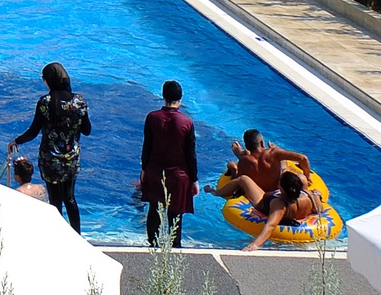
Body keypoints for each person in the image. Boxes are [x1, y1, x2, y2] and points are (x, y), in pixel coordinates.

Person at [7, 62, 92, 234]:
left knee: (55, 200)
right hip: (71, 159)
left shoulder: (45, 103)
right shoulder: (79, 101)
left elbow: (33, 132)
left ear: (50, 80)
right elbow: (87, 130)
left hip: (50, 160)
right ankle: (77, 236)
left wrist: (16, 141)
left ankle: (57, 236)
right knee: (70, 198)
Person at [205, 167, 327, 252]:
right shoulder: (309, 196)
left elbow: (271, 225)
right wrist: (317, 194)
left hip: (260, 203)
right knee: (302, 179)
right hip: (297, 204)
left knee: (243, 179)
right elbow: (320, 210)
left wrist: (255, 244)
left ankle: (215, 192)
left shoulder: (279, 204)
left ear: (281, 187)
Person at [139, 80, 198, 247]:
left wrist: (144, 169)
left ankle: (153, 246)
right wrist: (194, 179)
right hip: (179, 175)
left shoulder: (152, 118)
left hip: (155, 171)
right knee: (175, 215)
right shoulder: (186, 122)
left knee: (154, 210)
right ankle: (174, 247)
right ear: (180, 98)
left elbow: (147, 146)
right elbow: (191, 154)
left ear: (163, 96)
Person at [225, 129, 312, 188]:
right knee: (282, 161)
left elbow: (239, 182)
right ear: (262, 143)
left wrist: (233, 170)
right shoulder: (274, 153)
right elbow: (303, 158)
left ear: (247, 146)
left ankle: (241, 154)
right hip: (276, 188)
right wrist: (307, 176)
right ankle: (278, 151)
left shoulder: (243, 161)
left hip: (257, 191)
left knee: (234, 163)